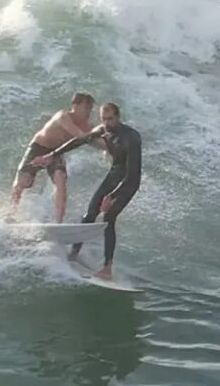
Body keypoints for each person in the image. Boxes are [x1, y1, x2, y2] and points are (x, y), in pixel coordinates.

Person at [33, 103, 141, 280]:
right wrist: (52, 154)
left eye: (110, 119)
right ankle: (74, 254)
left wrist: (112, 196)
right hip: (114, 174)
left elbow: (132, 174)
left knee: (108, 217)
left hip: (128, 181)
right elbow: (79, 141)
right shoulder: (103, 130)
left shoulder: (131, 137)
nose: (106, 123)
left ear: (118, 117)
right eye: (103, 119)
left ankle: (107, 267)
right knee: (89, 215)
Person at [11, 92, 103, 223]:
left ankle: (58, 221)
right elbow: (80, 136)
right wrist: (95, 138)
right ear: (75, 106)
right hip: (39, 147)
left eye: (90, 108)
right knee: (23, 181)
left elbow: (96, 141)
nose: (88, 111)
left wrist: (109, 150)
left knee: (60, 178)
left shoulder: (87, 126)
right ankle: (12, 213)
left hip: (55, 152)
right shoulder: (63, 116)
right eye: (86, 107)